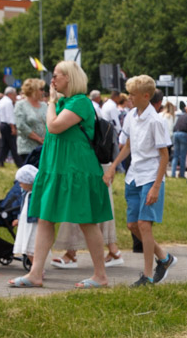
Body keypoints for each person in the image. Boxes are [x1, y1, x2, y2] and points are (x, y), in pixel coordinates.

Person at [7, 60, 112, 290]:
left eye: (57, 75)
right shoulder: (64, 102)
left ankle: (100, 276)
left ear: (70, 78)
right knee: (45, 218)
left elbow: (53, 126)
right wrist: (54, 103)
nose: (52, 80)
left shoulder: (81, 102)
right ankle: (35, 274)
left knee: (87, 221)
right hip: (56, 169)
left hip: (77, 171)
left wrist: (51, 103)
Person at [104, 74, 176, 286]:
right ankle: (164, 257)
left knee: (144, 225)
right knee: (132, 225)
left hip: (150, 177)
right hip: (134, 176)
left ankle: (147, 275)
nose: (129, 98)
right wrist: (114, 166)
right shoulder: (131, 116)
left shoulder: (156, 121)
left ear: (146, 96)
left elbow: (164, 156)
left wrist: (156, 186)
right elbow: (128, 145)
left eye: (133, 95)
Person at [15, 77, 46, 167]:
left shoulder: (44, 105)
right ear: (34, 90)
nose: (43, 92)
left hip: (44, 147)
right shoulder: (20, 105)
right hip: (27, 148)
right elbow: (21, 125)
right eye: (41, 89)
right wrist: (38, 139)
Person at [0, 86, 18, 167]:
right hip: (8, 125)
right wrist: (13, 128)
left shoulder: (1, 101)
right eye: (14, 94)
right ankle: (19, 162)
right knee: (13, 145)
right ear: (10, 94)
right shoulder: (8, 102)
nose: (15, 96)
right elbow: (10, 116)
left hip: (2, 124)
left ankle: (0, 161)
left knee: (4, 145)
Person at [171, 105, 187, 179]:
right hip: (184, 134)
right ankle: (181, 174)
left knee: (175, 155)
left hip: (175, 133)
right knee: (183, 156)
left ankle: (173, 173)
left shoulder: (181, 116)